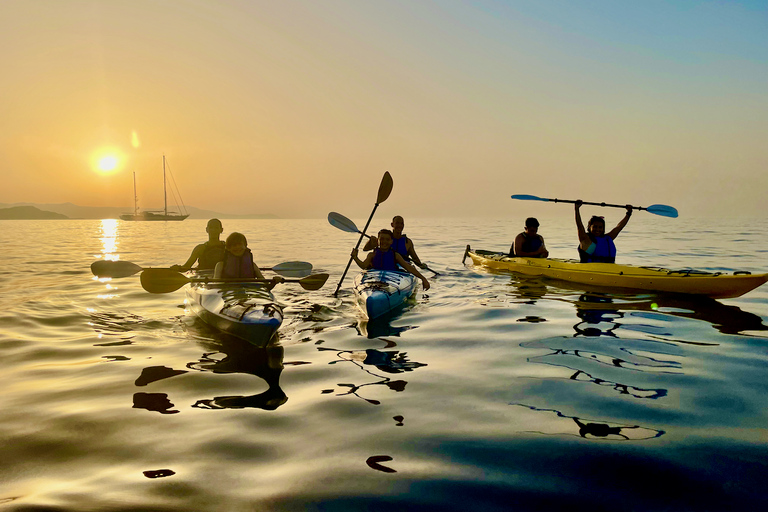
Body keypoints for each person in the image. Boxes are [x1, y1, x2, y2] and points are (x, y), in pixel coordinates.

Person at [352, 229, 430, 290]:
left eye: (387, 239)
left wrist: (423, 279)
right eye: (382, 239)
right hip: (374, 278)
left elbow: (408, 268)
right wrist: (355, 257)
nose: (384, 242)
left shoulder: (395, 255)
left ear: (391, 241)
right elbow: (363, 265)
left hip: (391, 279)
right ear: (377, 241)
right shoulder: (372, 254)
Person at [214, 232, 283, 290]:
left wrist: (274, 281)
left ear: (245, 246)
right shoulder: (220, 266)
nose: (237, 247)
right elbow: (215, 287)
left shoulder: (252, 266)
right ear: (228, 248)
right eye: (234, 245)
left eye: (240, 244)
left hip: (249, 294)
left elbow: (266, 286)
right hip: (228, 294)